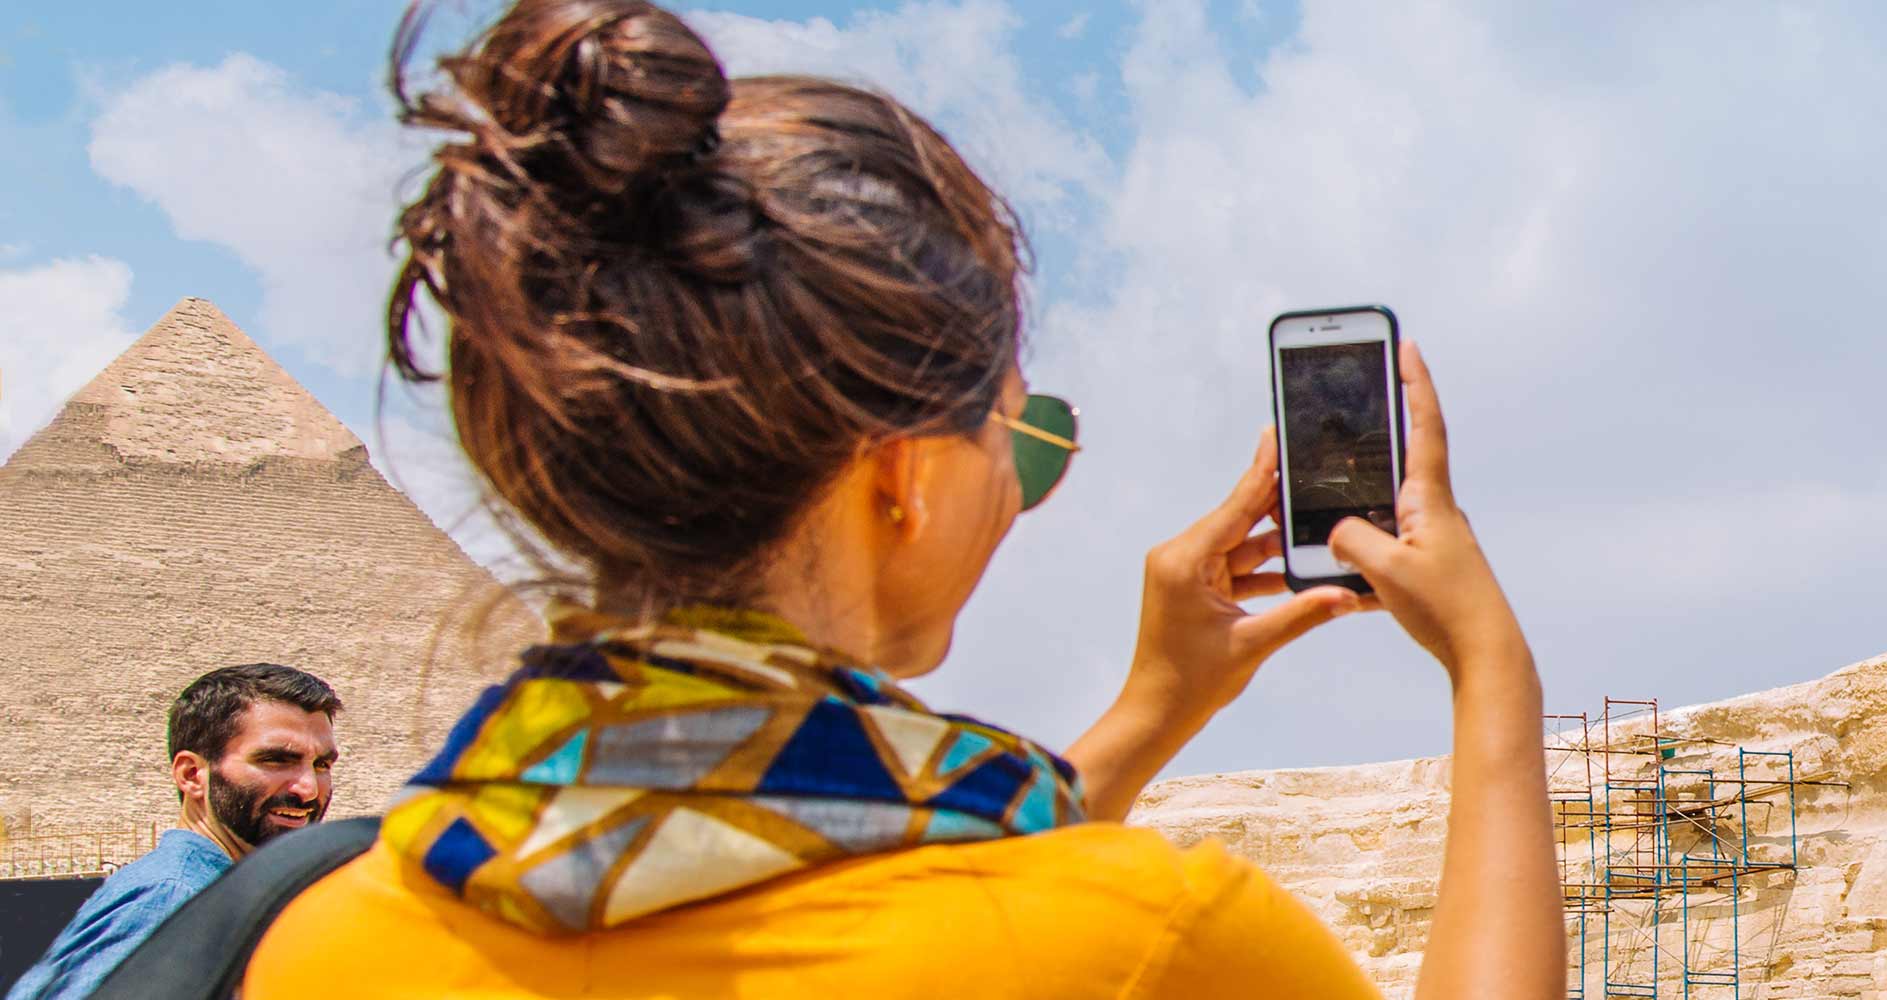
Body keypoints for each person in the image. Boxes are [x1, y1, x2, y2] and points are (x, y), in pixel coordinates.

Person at [240, 2, 1557, 995]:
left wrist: (1156, 708)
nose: (1019, 496)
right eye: (1023, 440)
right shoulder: (1149, 941)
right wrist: (1491, 667)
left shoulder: (324, 940)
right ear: (904, 476)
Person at [8, 664, 339, 1000]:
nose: (308, 789)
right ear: (192, 775)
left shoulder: (220, 897)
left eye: (322, 765)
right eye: (276, 760)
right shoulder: (175, 900)